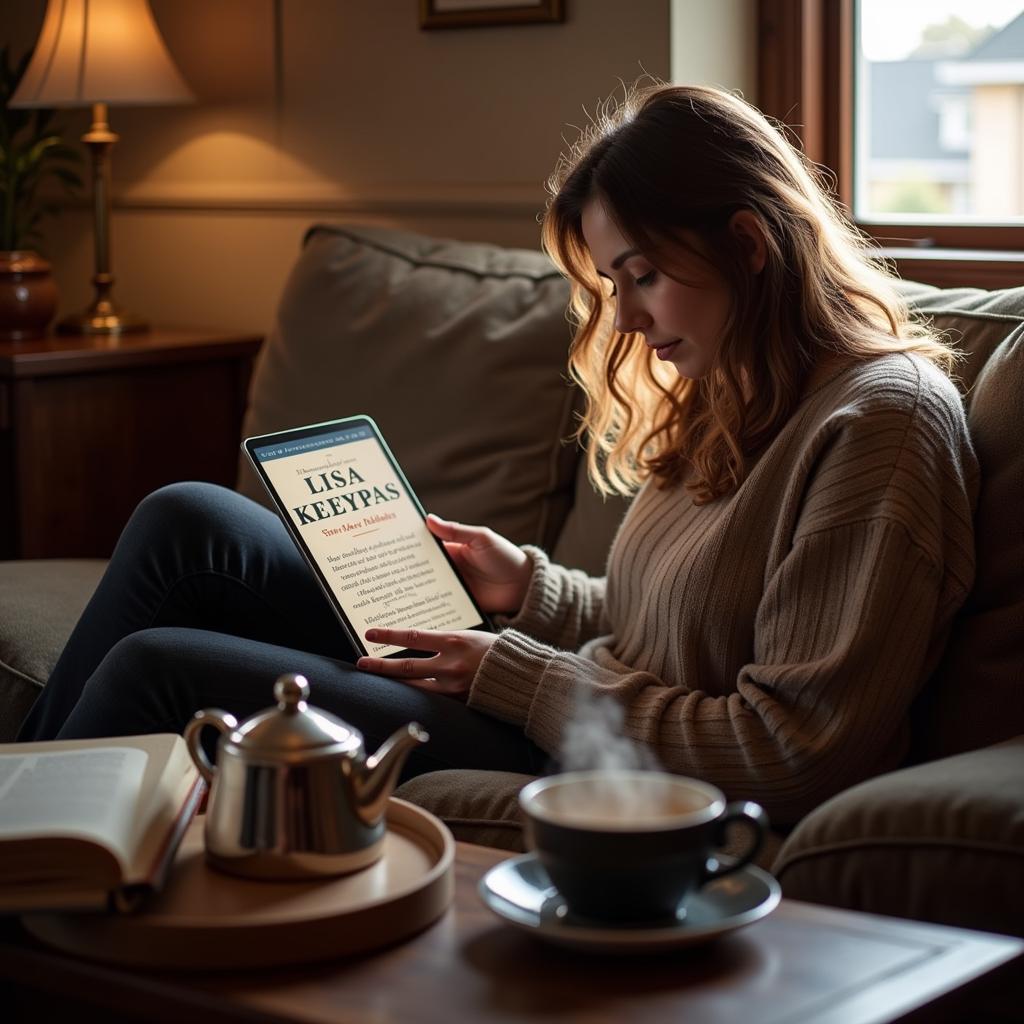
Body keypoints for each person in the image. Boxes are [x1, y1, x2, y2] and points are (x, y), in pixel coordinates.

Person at [19, 84, 978, 827]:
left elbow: (790, 748)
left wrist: (513, 674)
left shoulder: (879, 428)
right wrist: (531, 588)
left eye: (644, 276)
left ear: (750, 243)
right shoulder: (741, 389)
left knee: (160, 667)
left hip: (592, 754)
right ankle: (26, 826)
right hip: (566, 699)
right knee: (190, 519)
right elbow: (674, 629)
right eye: (615, 283)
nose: (631, 319)